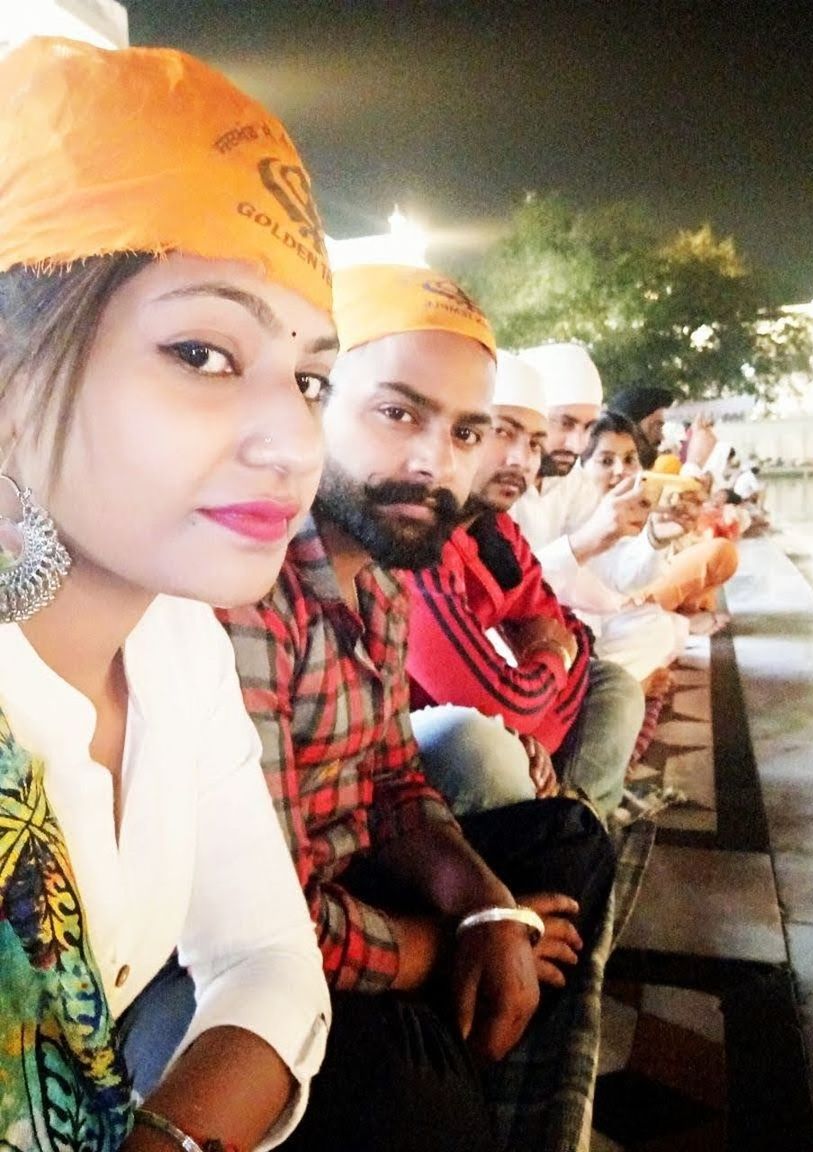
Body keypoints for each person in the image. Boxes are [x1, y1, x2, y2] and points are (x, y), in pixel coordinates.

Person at [0, 38, 335, 1152]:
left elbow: (271, 961)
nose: (296, 442)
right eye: (200, 351)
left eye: (311, 378)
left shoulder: (177, 642)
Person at [220, 266, 616, 1152]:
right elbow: (262, 918)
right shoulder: (247, 588)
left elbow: (392, 774)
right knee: (405, 1091)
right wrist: (440, 946)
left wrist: (480, 902)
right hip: (261, 947)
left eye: (467, 430)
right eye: (397, 413)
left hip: (353, 882)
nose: (436, 462)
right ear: (308, 402)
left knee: (568, 848)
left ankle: (470, 1039)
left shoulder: (386, 575)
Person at [408, 351, 643, 819]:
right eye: (503, 432)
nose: (523, 459)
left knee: (616, 685)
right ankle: (561, 837)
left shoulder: (496, 531)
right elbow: (498, 700)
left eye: (535, 442)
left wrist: (529, 716)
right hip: (427, 735)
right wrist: (548, 663)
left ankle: (577, 823)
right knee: (479, 744)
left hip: (515, 702)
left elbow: (567, 628)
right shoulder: (417, 537)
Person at [509, 345, 653, 601]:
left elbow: (616, 575)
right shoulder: (496, 484)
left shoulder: (573, 482)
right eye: (565, 424)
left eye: (588, 427)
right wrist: (585, 541)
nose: (578, 444)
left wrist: (658, 537)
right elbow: (503, 591)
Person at [578, 413, 739, 635]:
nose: (620, 471)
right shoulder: (576, 510)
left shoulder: (640, 487)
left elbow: (628, 573)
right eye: (606, 461)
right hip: (612, 614)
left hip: (634, 600)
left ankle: (675, 620)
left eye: (629, 460)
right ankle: (677, 622)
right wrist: (694, 464)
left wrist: (657, 539)